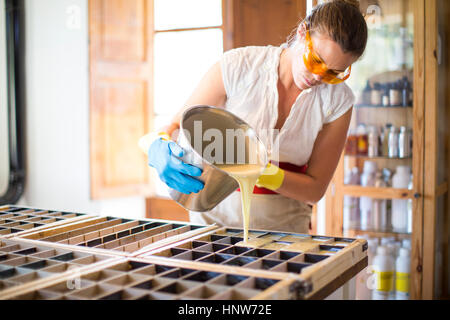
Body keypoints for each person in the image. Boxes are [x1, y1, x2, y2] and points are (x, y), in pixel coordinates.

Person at [144, 0, 368, 234]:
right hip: (212, 223)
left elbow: (315, 189)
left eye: (333, 73)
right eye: (316, 60)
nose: (317, 76)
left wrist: (259, 172)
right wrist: (159, 146)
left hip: (285, 231)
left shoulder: (338, 101)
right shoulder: (239, 66)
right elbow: (176, 125)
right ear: (303, 32)